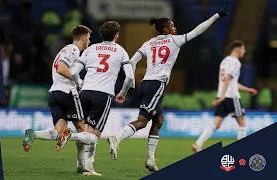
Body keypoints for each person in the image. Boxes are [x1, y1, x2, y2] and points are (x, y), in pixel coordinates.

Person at [106, 6, 230, 172]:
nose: (175, 28)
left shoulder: (148, 43)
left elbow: (131, 62)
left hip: (146, 83)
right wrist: (216, 16)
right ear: (166, 29)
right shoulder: (174, 40)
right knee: (143, 122)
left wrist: (130, 84)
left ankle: (150, 159)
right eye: (172, 26)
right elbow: (198, 30)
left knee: (159, 120)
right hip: (157, 85)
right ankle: (117, 137)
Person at [56, 21, 134, 176]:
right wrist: (123, 93)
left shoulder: (91, 48)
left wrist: (79, 84)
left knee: (86, 132)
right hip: (103, 95)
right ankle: (72, 137)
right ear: (116, 36)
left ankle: (87, 169)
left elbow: (75, 71)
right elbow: (130, 77)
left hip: (85, 93)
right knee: (92, 136)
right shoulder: (120, 50)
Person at [22, 25, 92, 173]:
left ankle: (33, 134)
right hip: (67, 93)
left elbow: (58, 68)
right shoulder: (73, 50)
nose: (89, 42)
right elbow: (61, 69)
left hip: (54, 93)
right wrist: (79, 82)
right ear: (84, 38)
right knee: (82, 129)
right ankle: (82, 167)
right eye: (89, 39)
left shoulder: (63, 50)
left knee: (59, 132)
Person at [192, 40, 258, 152]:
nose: (244, 51)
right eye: (243, 49)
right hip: (232, 96)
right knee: (242, 123)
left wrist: (247, 90)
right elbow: (227, 79)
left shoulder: (224, 61)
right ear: (238, 49)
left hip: (222, 95)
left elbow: (231, 81)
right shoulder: (236, 62)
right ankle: (243, 150)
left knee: (216, 123)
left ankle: (198, 143)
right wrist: (223, 96)